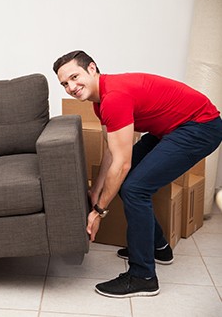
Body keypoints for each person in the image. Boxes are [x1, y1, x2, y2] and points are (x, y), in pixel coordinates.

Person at [53, 50, 222, 298]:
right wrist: (96, 191)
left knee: (134, 187)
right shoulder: (100, 102)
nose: (71, 87)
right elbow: (112, 154)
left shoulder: (114, 98)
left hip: (200, 126)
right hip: (173, 127)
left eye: (74, 77)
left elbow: (121, 165)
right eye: (64, 84)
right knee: (126, 185)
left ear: (92, 68)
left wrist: (99, 212)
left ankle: (142, 276)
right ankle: (159, 246)